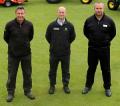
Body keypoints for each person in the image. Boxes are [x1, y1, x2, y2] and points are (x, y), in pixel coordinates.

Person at [82, 2, 116, 97]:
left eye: (100, 8)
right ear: (94, 9)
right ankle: (88, 86)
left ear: (103, 9)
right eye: (97, 8)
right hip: (92, 49)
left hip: (104, 49)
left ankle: (107, 87)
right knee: (91, 68)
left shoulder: (109, 21)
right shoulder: (89, 20)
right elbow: (85, 32)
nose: (99, 10)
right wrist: (92, 39)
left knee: (106, 69)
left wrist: (106, 40)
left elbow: (113, 33)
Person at [4, 6, 35, 102]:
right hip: (13, 55)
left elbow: (30, 37)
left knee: (27, 74)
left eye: (22, 13)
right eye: (19, 13)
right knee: (12, 74)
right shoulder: (9, 25)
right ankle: (10, 92)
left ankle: (27, 91)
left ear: (24, 14)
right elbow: (6, 38)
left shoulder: (29, 25)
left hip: (26, 54)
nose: (20, 15)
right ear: (16, 13)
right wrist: (13, 46)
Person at [45, 6, 76, 94]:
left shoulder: (70, 26)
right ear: (57, 13)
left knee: (66, 70)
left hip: (65, 53)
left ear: (65, 13)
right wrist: (54, 45)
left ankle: (65, 85)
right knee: (52, 70)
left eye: (63, 12)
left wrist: (65, 44)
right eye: (60, 12)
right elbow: (48, 37)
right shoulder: (51, 25)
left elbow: (72, 37)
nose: (61, 14)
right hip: (54, 53)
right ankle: (52, 86)